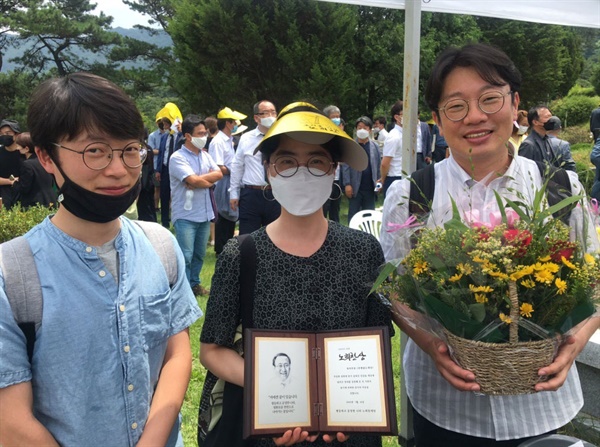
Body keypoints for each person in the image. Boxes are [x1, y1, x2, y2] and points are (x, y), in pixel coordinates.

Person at [380, 43, 600, 447]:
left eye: (490, 99)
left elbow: (595, 278)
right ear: (436, 119)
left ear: (515, 104)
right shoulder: (411, 196)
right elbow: (394, 288)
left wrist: (577, 343)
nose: (475, 116)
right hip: (443, 404)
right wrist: (431, 346)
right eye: (456, 106)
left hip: (540, 402)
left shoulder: (558, 188)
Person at [0, 72, 202, 446]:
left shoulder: (160, 245)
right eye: (95, 151)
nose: (118, 169)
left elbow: (177, 354)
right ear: (46, 156)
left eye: (130, 150)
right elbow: (10, 422)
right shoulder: (11, 274)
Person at [199, 101, 391, 447]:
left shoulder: (364, 250)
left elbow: (375, 344)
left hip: (349, 430)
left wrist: (342, 398)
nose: (302, 172)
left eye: (316, 161)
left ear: (334, 170)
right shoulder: (240, 254)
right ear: (269, 171)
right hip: (270, 427)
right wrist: (277, 387)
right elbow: (212, 350)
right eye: (287, 162)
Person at [169, 114, 222, 296]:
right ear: (188, 136)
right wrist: (202, 180)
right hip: (185, 214)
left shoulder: (205, 156)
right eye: (199, 133)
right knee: (185, 254)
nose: (204, 137)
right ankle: (181, 289)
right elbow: (192, 179)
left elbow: (219, 173)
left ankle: (194, 284)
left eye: (204, 133)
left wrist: (200, 180)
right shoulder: (177, 158)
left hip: (204, 213)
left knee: (199, 254)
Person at [229, 100, 281, 235]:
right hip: (252, 194)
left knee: (276, 237)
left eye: (273, 112)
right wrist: (234, 193)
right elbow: (237, 166)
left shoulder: (283, 137)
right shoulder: (246, 138)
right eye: (266, 113)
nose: (270, 116)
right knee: (248, 237)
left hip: (277, 193)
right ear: (256, 118)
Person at [209, 107, 247, 255]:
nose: (237, 124)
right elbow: (217, 167)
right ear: (228, 123)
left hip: (230, 179)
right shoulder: (218, 141)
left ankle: (228, 248)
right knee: (223, 215)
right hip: (222, 182)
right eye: (235, 121)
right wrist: (235, 169)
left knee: (230, 215)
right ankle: (221, 249)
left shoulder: (229, 140)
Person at [342, 116, 381, 224]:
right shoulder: (351, 146)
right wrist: (347, 184)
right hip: (355, 187)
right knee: (353, 215)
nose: (362, 130)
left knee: (369, 216)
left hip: (370, 187)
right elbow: (345, 166)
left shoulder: (375, 147)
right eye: (359, 127)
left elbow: (378, 167)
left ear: (370, 129)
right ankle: (351, 238)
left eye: (365, 127)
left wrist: (379, 183)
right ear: (356, 129)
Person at [518, 105, 576, 171]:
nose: (551, 119)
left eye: (550, 116)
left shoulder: (546, 140)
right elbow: (523, 171)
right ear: (535, 122)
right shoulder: (528, 145)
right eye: (547, 117)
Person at [10, 132, 57, 209]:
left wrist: (14, 183)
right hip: (51, 200)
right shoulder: (45, 160)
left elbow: (24, 188)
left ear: (26, 149)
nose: (17, 148)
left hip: (35, 205)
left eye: (18, 146)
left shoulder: (26, 164)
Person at [156, 102, 184, 228]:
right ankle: (165, 222)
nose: (166, 126)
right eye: (164, 124)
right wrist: (158, 170)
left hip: (177, 169)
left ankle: (178, 219)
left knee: (177, 195)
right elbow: (162, 153)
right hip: (165, 168)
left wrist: (180, 130)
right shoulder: (164, 137)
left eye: (167, 124)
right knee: (164, 195)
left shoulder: (181, 136)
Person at [322, 104, 344, 222]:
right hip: (324, 179)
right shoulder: (321, 136)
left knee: (335, 210)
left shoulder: (341, 135)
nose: (337, 119)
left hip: (337, 180)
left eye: (338, 116)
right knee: (324, 209)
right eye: (334, 116)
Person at [379, 100, 404, 198]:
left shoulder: (406, 134)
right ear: (397, 117)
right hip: (394, 178)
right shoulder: (394, 136)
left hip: (405, 177)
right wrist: (383, 179)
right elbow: (385, 163)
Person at [0, 119, 23, 206]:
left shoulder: (24, 153)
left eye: (8, 133)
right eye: (1, 134)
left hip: (23, 195)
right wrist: (10, 181)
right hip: (3, 195)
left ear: (17, 135)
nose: (3, 136)